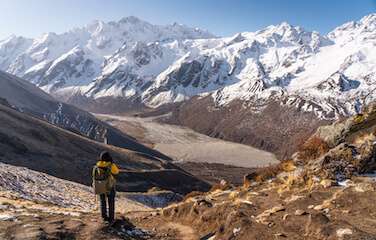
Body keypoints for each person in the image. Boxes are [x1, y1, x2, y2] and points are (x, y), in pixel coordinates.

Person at [93, 151, 119, 223]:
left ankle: (104, 217)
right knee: (111, 202)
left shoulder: (97, 165)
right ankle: (111, 218)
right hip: (109, 186)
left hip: (100, 185)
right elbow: (116, 172)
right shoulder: (111, 165)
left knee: (102, 201)